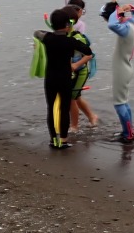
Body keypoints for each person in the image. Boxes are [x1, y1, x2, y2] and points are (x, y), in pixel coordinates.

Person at [35, 8, 93, 149]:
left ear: (52, 24)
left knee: (51, 108)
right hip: (65, 78)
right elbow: (89, 52)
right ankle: (64, 141)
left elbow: (37, 33)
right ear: (68, 25)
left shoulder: (47, 38)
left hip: (50, 78)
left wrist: (51, 30)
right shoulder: (71, 41)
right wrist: (76, 65)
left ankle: (53, 140)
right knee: (64, 108)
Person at [101, 0, 134, 144]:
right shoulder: (132, 23)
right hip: (126, 67)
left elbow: (112, 24)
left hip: (122, 69)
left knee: (119, 104)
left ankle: (128, 134)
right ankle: (128, 131)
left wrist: (118, 10)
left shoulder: (124, 29)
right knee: (124, 102)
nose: (106, 21)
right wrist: (127, 7)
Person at [65, 3, 98, 130]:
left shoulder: (78, 37)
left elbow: (89, 55)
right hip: (70, 73)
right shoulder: (63, 36)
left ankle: (74, 126)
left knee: (72, 98)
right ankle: (91, 117)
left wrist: (75, 65)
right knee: (75, 97)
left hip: (80, 72)